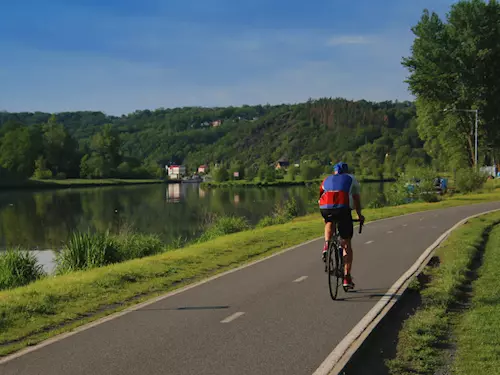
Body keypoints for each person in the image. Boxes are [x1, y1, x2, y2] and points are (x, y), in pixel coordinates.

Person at [318, 162, 364, 289]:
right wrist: (359, 215)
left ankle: (327, 245)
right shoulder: (351, 178)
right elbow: (356, 199)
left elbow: (321, 196)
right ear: (346, 171)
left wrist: (325, 216)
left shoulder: (326, 179)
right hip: (343, 210)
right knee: (346, 243)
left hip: (325, 208)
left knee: (329, 222)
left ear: (334, 171)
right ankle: (346, 278)